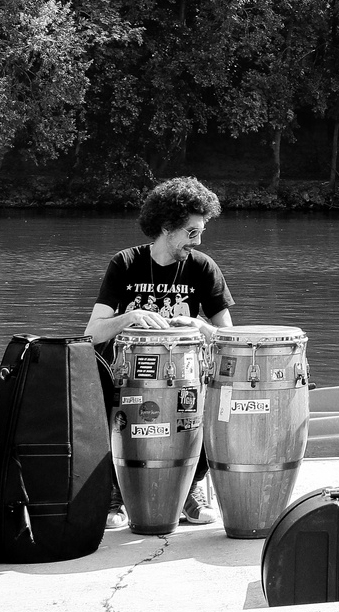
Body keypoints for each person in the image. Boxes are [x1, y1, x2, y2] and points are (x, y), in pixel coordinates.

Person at [87, 176, 235, 529]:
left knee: (219, 400)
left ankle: (190, 489)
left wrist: (202, 327)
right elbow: (91, 335)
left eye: (201, 231)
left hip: (186, 374)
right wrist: (131, 316)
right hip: (125, 374)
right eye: (192, 232)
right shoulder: (125, 263)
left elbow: (230, 338)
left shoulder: (202, 267)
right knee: (96, 394)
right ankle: (116, 492)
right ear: (167, 227)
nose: (198, 240)